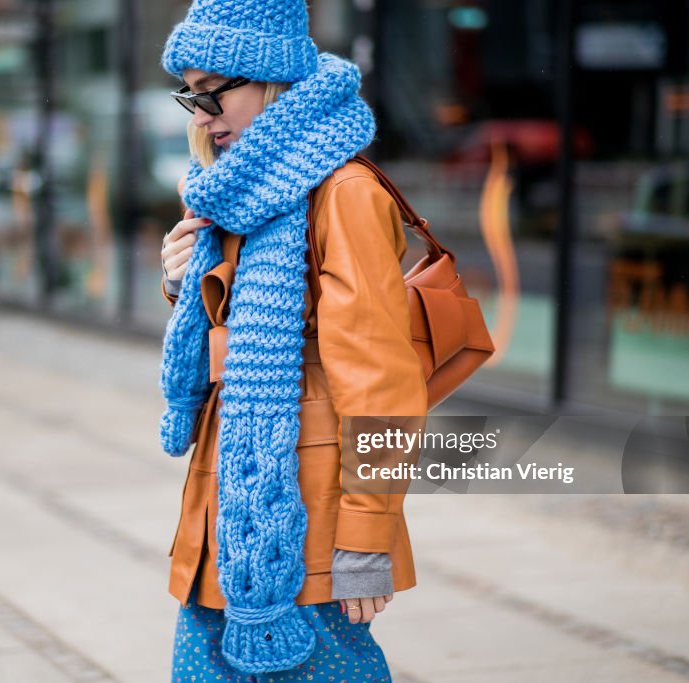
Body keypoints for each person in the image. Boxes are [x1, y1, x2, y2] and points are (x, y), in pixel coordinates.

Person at [157, 0, 428, 679]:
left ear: (272, 80)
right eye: (191, 96)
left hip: (307, 528)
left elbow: (381, 382)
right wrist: (184, 279)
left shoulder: (345, 194)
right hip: (229, 513)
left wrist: (367, 539)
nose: (202, 116)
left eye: (216, 93)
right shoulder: (231, 191)